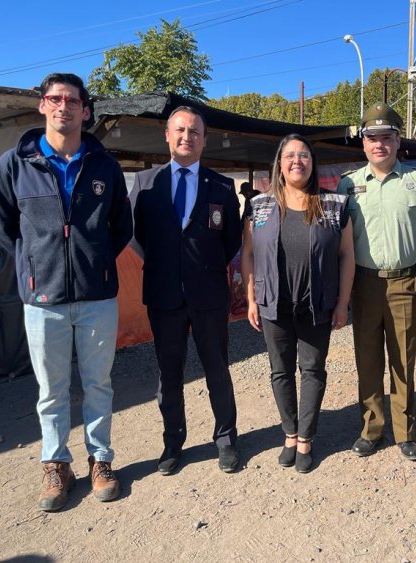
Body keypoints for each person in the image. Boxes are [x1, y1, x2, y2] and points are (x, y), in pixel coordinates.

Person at [0, 73, 132, 511]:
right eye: (55, 98)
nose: (63, 107)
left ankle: (100, 460)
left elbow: (121, 227)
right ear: (42, 105)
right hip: (43, 299)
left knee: (99, 384)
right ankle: (56, 464)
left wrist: (93, 262)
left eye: (73, 100)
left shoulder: (105, 166)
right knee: (51, 390)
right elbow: (6, 229)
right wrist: (37, 267)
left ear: (85, 110)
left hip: (97, 296)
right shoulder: (14, 164)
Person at [132, 106, 243, 476]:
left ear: (204, 139)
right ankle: (173, 441)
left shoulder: (223, 187)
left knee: (217, 370)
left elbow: (230, 242)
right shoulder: (145, 183)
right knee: (170, 374)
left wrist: (201, 266)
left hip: (209, 294)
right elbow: (136, 237)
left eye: (194, 132)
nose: (186, 137)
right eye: (180, 130)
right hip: (163, 295)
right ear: (167, 135)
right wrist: (168, 263)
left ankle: (226, 438)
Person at [241, 134, 355, 473]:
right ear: (279, 163)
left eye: (303, 155)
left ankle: (306, 437)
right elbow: (247, 254)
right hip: (273, 302)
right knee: (280, 371)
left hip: (317, 303)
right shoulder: (258, 206)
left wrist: (342, 303)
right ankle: (289, 433)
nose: (297, 161)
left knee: (312, 369)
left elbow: (347, 255)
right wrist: (250, 298)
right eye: (290, 155)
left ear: (312, 163)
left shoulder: (335, 205)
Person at [337, 102, 416, 461]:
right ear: (363, 144)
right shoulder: (347, 184)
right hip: (363, 283)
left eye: (386, 137)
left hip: (403, 283)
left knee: (402, 360)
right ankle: (371, 429)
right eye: (372, 138)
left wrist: (406, 258)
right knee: (367, 360)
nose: (378, 144)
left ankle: (405, 432)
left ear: (398, 141)